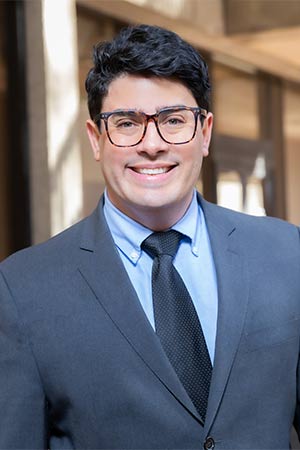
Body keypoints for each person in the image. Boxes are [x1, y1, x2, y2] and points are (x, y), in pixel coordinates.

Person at [0, 24, 299, 450]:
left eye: (173, 121)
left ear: (206, 132)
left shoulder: (286, 253)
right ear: (96, 139)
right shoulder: (22, 289)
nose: (152, 144)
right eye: (126, 123)